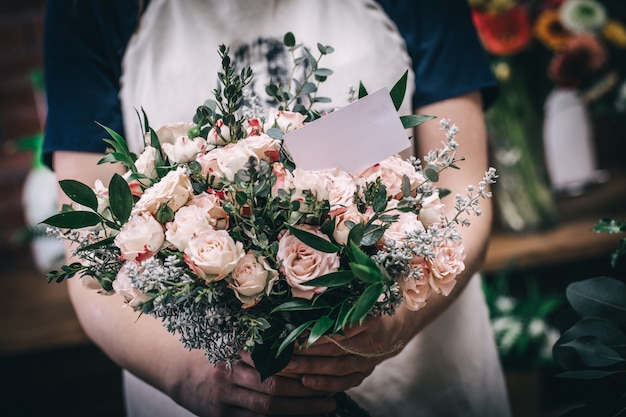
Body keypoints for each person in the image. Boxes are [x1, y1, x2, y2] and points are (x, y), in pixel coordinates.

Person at [43, 0, 511, 416]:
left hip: (416, 376)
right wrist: (187, 373)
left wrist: (391, 322)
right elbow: (88, 254)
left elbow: (461, 182)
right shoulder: (89, 9)